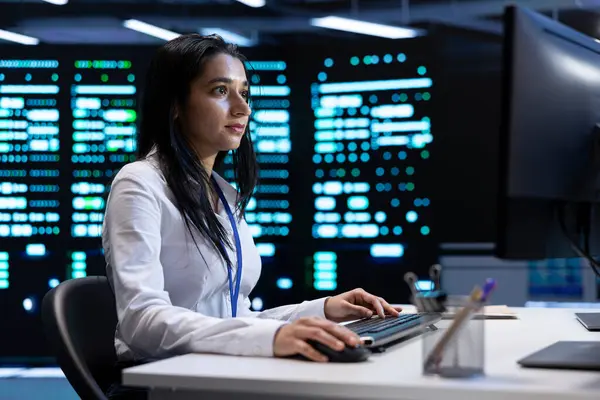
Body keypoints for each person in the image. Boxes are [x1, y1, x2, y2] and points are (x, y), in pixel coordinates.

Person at [102, 33, 401, 399]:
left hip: (218, 374)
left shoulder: (224, 194)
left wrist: (321, 310)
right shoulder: (140, 183)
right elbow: (141, 321)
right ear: (175, 104)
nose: (242, 109)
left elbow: (234, 319)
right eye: (219, 91)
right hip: (162, 382)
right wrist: (273, 337)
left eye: (244, 93)